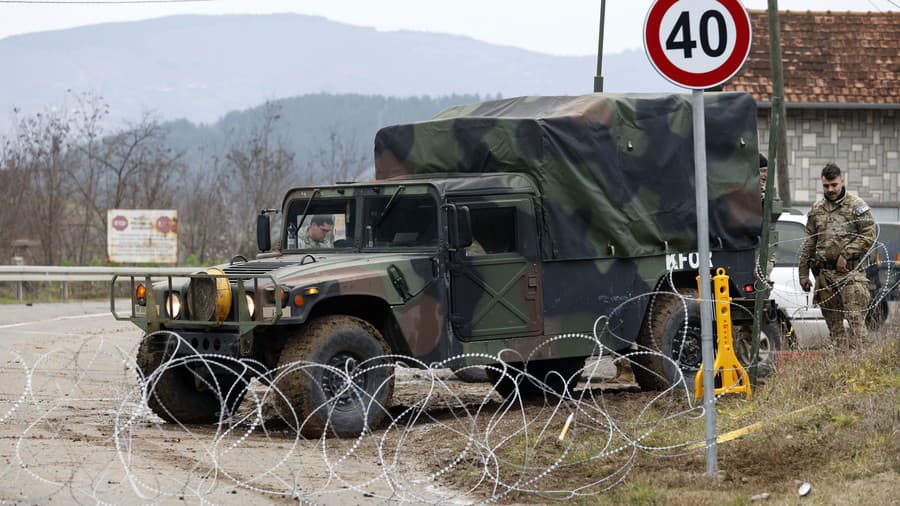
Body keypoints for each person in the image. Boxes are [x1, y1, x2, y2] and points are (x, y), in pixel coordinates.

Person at [798, 163, 876, 349]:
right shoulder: (817, 209)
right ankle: (842, 370)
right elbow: (810, 242)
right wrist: (803, 272)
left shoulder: (856, 206)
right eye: (826, 186)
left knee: (857, 324)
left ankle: (869, 367)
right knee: (835, 329)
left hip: (850, 275)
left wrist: (846, 254)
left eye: (834, 185)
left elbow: (869, 235)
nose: (830, 189)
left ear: (842, 181)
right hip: (826, 277)